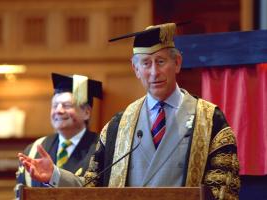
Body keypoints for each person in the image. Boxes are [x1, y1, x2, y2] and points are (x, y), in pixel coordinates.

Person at [18, 23, 240, 200]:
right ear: (135, 69)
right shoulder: (119, 124)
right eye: (146, 63)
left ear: (177, 63)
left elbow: (224, 189)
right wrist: (55, 175)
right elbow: (94, 188)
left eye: (161, 61)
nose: (154, 72)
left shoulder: (210, 120)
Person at [15, 73, 102, 189]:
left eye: (67, 105)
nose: (59, 110)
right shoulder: (34, 149)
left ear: (86, 112)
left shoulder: (100, 148)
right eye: (55, 105)